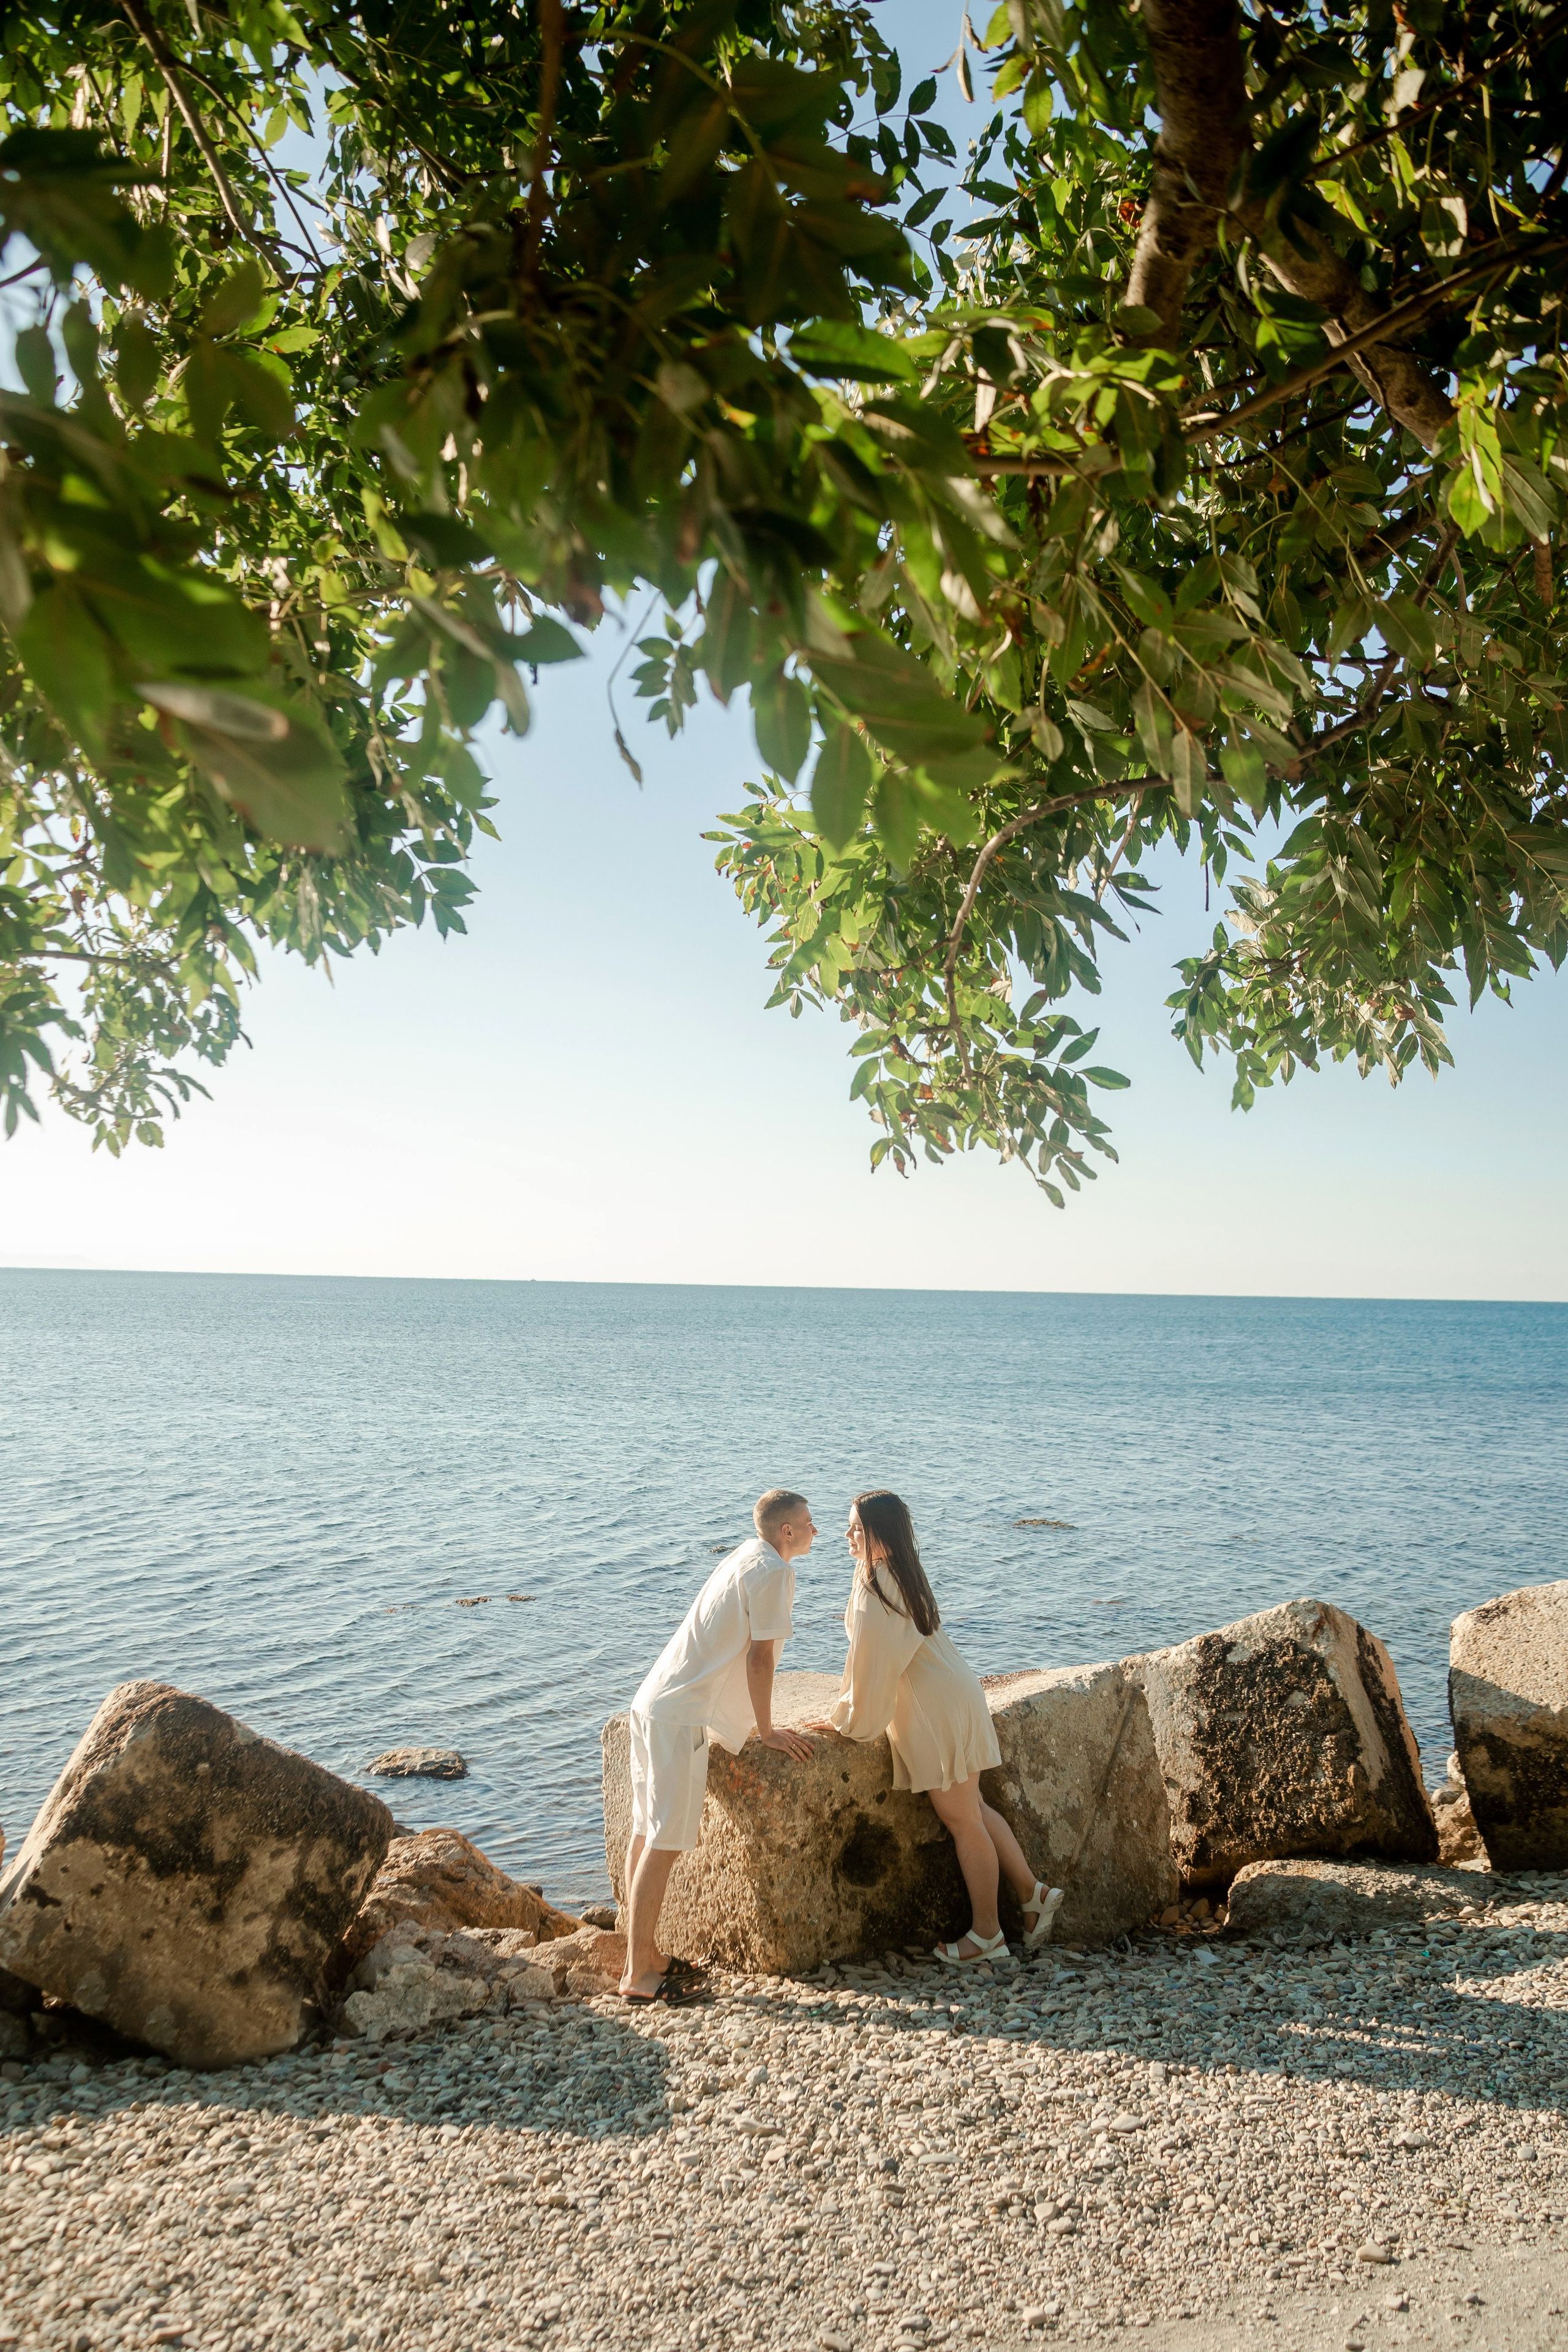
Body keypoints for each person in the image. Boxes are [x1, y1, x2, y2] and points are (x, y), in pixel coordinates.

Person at [805, 1489, 1062, 1964]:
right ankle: (1033, 1894)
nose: (847, 1535)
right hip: (956, 1692)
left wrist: (848, 1720)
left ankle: (988, 1937)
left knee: (963, 1821)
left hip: (935, 1707)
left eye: (857, 1529)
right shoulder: (904, 1571)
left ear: (883, 1535)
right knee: (975, 1809)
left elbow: (871, 1666)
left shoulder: (876, 1584)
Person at [619, 1488, 818, 2000]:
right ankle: (639, 1975)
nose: (816, 1531)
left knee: (646, 1832)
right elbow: (760, 1660)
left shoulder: (745, 1555)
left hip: (651, 1702)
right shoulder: (775, 1571)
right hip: (680, 1718)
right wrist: (768, 1731)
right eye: (808, 1522)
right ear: (787, 1532)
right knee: (664, 1843)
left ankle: (641, 1954)